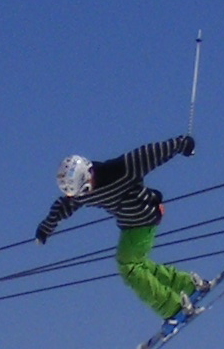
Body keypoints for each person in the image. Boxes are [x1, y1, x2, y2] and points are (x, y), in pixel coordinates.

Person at [35, 136, 212, 322]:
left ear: (88, 174)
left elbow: (149, 154)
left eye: (85, 189)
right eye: (80, 193)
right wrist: (45, 228)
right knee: (138, 264)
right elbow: (63, 206)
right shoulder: (80, 194)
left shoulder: (119, 170)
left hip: (144, 216)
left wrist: (181, 144)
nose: (86, 194)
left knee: (129, 267)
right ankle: (187, 285)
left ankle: (172, 307)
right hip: (129, 224)